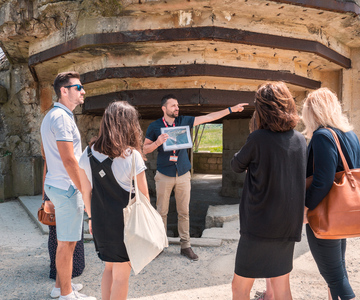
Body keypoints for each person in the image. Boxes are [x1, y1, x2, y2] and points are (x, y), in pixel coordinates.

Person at [143, 94, 248, 260]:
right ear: (164, 108)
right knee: (161, 212)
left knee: (183, 212)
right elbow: (144, 149)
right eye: (173, 106)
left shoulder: (184, 121)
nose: (177, 108)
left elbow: (209, 117)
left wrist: (231, 110)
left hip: (183, 173)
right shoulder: (155, 126)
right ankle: (159, 245)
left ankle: (186, 246)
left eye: (177, 105)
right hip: (164, 174)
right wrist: (157, 142)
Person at [230, 82, 307, 300]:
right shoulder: (300, 140)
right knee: (282, 287)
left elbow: (236, 165)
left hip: (259, 225)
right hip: (287, 225)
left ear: (263, 109)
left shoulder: (258, 139)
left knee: (239, 287)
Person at [78, 101, 149, 300]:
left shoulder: (88, 153)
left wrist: (91, 218)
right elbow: (144, 195)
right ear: (129, 125)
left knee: (109, 269)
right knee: (121, 276)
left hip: (100, 221)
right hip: (123, 224)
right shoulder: (131, 155)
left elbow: (86, 192)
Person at [41, 71, 96, 300]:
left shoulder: (53, 115)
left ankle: (60, 286)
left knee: (67, 240)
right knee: (67, 243)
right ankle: (66, 294)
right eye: (78, 87)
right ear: (64, 90)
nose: (83, 91)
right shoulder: (62, 118)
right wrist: (84, 189)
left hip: (56, 184)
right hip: (67, 188)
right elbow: (69, 159)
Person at [302, 87, 359, 300]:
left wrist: (306, 208)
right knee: (338, 269)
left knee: (334, 276)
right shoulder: (350, 134)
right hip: (343, 210)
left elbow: (322, 181)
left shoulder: (322, 136)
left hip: (325, 212)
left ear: (312, 111)